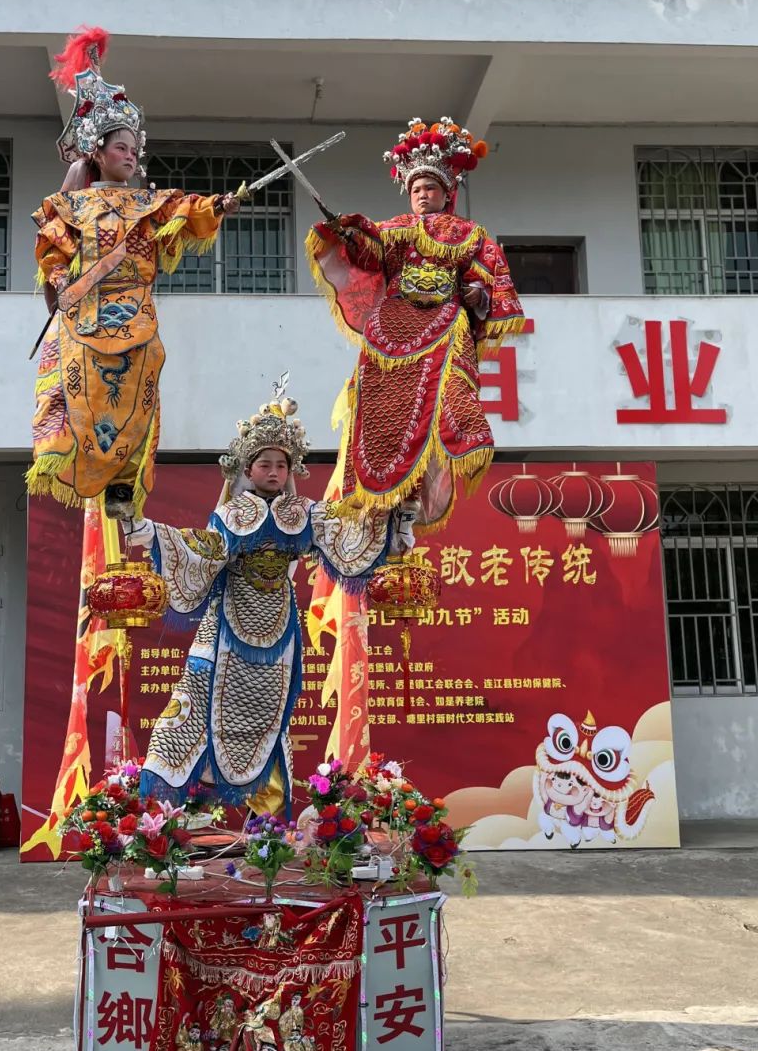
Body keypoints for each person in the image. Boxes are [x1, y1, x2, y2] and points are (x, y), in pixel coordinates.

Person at [123, 382, 415, 818]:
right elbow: (200, 548)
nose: (274, 471)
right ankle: (163, 822)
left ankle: (267, 833)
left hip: (276, 640)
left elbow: (347, 534)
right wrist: (145, 530)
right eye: (265, 463)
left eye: (281, 463)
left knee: (267, 726)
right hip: (221, 635)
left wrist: (395, 513)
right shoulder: (229, 516)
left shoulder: (305, 514)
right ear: (249, 468)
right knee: (184, 720)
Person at [27, 26, 240, 518]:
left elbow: (186, 210)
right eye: (120, 146)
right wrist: (62, 283)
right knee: (74, 397)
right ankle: (73, 460)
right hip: (83, 313)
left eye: (133, 147)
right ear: (97, 152)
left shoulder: (149, 203)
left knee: (136, 401)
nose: (130, 154)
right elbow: (52, 257)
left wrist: (218, 205)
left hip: (135, 316)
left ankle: (124, 485)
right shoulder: (68, 206)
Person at [306, 118, 524, 530]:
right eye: (417, 190)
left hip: (445, 326)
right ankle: (383, 502)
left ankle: (422, 490)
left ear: (447, 193)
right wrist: (346, 234)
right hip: (390, 332)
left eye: (431, 189)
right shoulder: (392, 230)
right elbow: (367, 256)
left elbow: (483, 280)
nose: (423, 196)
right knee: (379, 412)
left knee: (454, 399)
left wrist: (477, 296)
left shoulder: (470, 234)